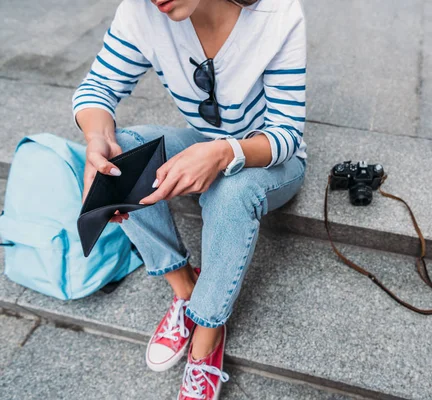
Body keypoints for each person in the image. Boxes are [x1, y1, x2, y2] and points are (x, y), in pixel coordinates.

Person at [72, 0, 306, 398]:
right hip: (203, 142)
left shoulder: (279, 15)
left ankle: (207, 336)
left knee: (232, 190)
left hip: (269, 159)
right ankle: (184, 289)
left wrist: (222, 154)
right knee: (125, 151)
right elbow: (99, 87)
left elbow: (286, 135)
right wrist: (98, 138)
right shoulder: (141, 11)